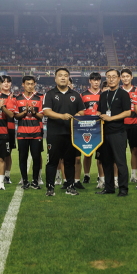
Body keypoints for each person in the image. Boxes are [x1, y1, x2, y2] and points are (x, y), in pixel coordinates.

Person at [42, 68, 86, 196]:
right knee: (52, 162)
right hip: (54, 134)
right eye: (60, 75)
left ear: (68, 78)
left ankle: (70, 187)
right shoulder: (49, 94)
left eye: (65, 76)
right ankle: (50, 188)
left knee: (70, 162)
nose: (63, 78)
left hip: (71, 134)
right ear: (55, 78)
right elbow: (46, 111)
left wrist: (78, 114)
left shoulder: (76, 95)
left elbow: (82, 111)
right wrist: (62, 116)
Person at [96, 69, 132, 196]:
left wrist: (110, 118)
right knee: (106, 162)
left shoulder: (123, 94)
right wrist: (98, 115)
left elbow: (128, 112)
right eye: (108, 77)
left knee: (120, 162)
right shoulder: (103, 95)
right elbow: (99, 111)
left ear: (119, 78)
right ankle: (109, 187)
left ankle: (123, 189)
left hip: (118, 132)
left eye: (113, 77)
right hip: (104, 133)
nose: (111, 79)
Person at [14, 76, 44, 189]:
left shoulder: (39, 98)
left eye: (32, 84)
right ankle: (25, 181)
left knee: (36, 158)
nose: (30, 86)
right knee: (23, 158)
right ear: (23, 85)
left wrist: (33, 112)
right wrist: (25, 112)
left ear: (34, 85)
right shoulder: (17, 99)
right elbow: (16, 116)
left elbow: (41, 116)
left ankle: (35, 181)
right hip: (22, 133)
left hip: (36, 133)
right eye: (28, 84)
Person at [77, 72, 101, 190]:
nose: (96, 82)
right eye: (94, 80)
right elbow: (81, 110)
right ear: (90, 81)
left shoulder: (104, 94)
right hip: (86, 126)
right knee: (88, 152)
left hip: (100, 126)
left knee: (100, 154)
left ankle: (100, 176)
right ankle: (86, 175)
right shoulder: (84, 95)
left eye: (98, 80)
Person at [121, 69, 137, 183]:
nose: (125, 78)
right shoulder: (118, 91)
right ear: (121, 78)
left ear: (131, 77)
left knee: (134, 150)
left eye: (127, 76)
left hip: (134, 125)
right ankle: (122, 175)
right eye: (123, 76)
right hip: (121, 126)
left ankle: (133, 175)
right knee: (120, 151)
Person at [1, 75, 16, 184]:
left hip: (10, 128)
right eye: (4, 82)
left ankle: (7, 176)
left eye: (8, 82)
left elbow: (12, 115)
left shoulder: (14, 98)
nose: (6, 83)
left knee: (8, 153)